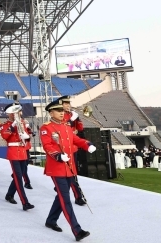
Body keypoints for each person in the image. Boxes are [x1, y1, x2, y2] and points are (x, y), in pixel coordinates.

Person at [40, 98, 96, 241]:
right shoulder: (46, 128)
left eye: (62, 110)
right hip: (57, 167)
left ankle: (51, 220)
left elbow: (75, 140)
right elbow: (48, 146)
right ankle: (77, 231)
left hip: (69, 167)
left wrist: (87, 144)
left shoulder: (66, 126)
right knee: (66, 199)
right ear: (51, 112)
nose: (61, 112)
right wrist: (58, 156)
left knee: (61, 196)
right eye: (58, 110)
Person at [1, 103, 34, 211]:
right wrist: (13, 125)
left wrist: (27, 136)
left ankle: (9, 194)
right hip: (14, 152)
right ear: (9, 113)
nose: (17, 113)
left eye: (18, 111)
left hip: (23, 151)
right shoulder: (5, 124)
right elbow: (5, 136)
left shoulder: (23, 122)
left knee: (19, 175)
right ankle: (25, 202)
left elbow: (27, 136)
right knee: (19, 177)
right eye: (14, 111)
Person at [61, 96, 86, 205]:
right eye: (65, 103)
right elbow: (63, 127)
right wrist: (71, 120)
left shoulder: (72, 115)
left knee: (72, 172)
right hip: (63, 147)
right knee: (68, 172)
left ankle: (77, 196)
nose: (68, 105)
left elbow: (80, 129)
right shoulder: (60, 115)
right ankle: (78, 196)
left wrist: (77, 119)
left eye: (68, 103)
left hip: (73, 147)